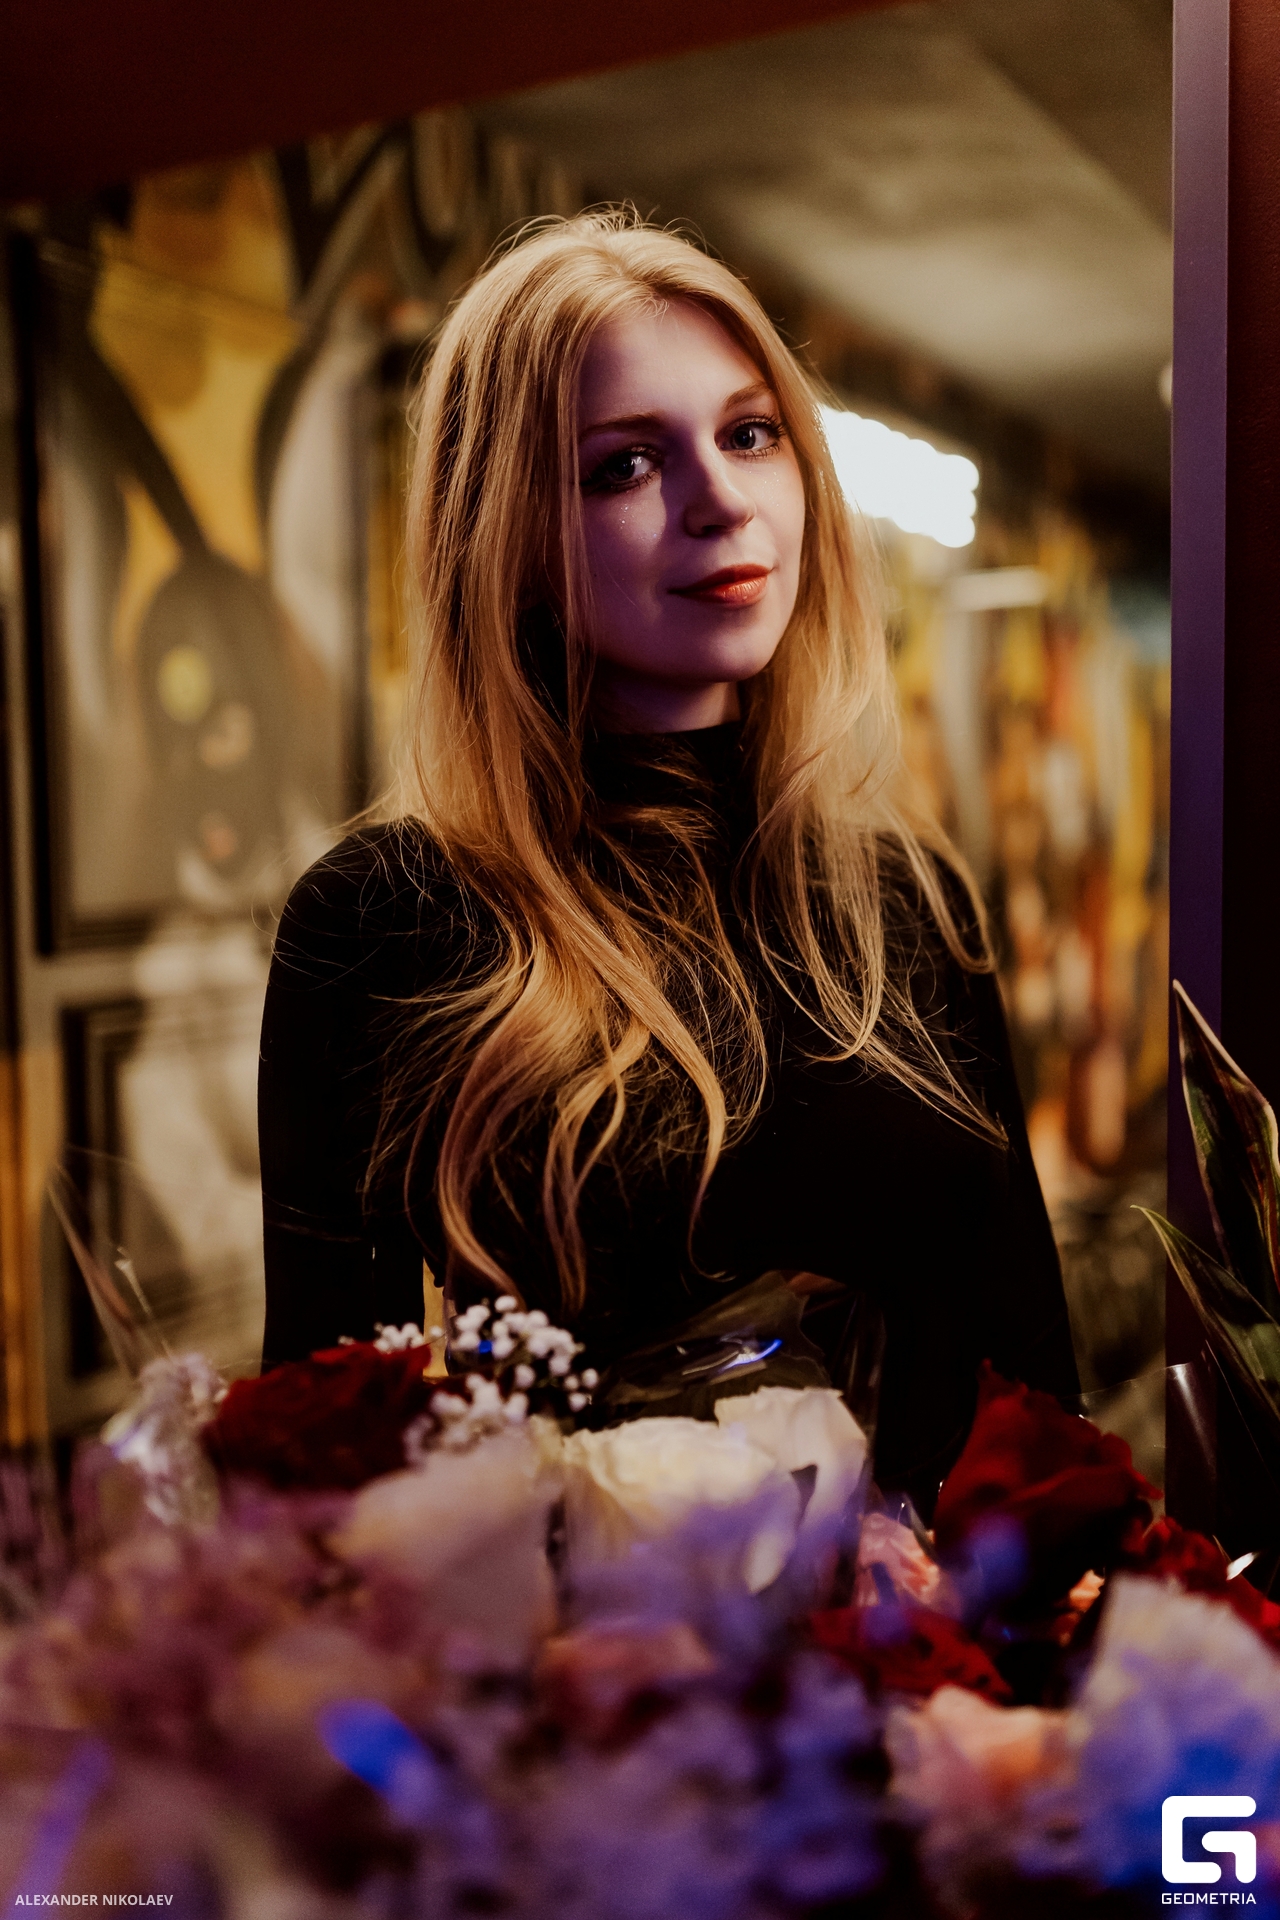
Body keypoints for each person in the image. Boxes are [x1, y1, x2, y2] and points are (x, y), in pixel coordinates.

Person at [258, 212, 1077, 1511]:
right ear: (504, 532)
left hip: (951, 1634)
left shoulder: (907, 899)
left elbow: (1040, 1404)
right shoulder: (388, 918)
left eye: (750, 434)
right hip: (586, 1642)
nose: (721, 501)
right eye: (625, 465)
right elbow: (315, 1461)